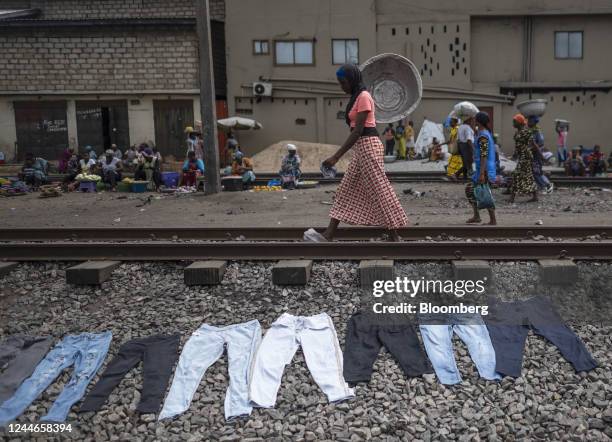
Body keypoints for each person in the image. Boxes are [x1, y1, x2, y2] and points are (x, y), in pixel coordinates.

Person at [313, 63, 408, 242]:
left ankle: (395, 236)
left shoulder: (364, 96)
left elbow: (358, 131)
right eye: (340, 83)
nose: (342, 86)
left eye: (343, 82)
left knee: (380, 190)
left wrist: (336, 156)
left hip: (368, 146)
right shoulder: (357, 97)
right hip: (361, 148)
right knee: (345, 190)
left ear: (353, 80)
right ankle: (329, 234)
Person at [465, 112, 497, 225]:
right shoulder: (483, 133)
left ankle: (492, 219)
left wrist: (482, 174)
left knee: (485, 193)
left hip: (485, 169)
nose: (473, 120)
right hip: (481, 169)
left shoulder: (483, 135)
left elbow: (484, 155)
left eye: (474, 119)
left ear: (478, 121)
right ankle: (477, 216)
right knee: (470, 190)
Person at [508, 114, 538, 203]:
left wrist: (542, 156)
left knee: (516, 174)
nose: (513, 123)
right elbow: (517, 146)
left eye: (515, 121)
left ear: (520, 123)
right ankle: (535, 196)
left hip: (526, 156)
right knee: (528, 176)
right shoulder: (517, 133)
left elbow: (533, 144)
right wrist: (514, 155)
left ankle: (512, 197)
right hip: (522, 156)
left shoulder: (526, 132)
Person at [527, 116, 554, 194]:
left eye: (529, 121)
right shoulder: (531, 131)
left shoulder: (537, 132)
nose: (528, 122)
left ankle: (547, 185)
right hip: (532, 155)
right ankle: (543, 186)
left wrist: (531, 149)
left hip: (536, 155)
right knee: (535, 172)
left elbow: (540, 144)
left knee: (537, 172)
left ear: (534, 122)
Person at [456, 116, 475, 181]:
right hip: (467, 146)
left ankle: (465, 177)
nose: (473, 121)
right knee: (469, 162)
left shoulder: (460, 127)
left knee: (465, 162)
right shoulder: (467, 127)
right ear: (468, 120)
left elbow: (458, 139)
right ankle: (456, 174)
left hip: (461, 145)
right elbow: (469, 140)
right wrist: (473, 149)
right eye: (472, 120)